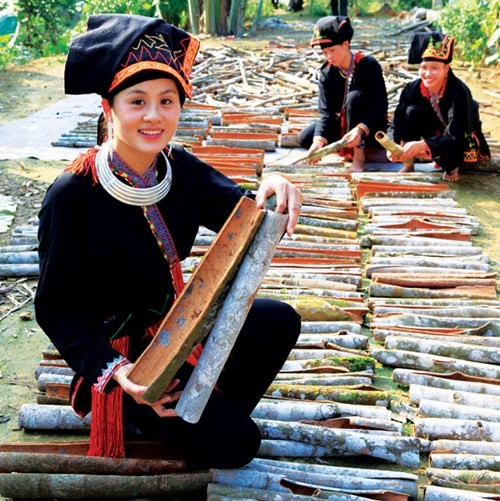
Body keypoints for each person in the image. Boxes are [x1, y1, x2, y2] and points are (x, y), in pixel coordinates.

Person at [34, 14, 303, 471]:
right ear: (109, 108)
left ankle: (201, 416)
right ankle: (146, 416)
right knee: (240, 446)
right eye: (137, 101)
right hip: (127, 364)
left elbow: (243, 215)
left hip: (177, 332)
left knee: (278, 320)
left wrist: (274, 182)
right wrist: (123, 376)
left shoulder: (178, 168)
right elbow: (55, 307)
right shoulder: (73, 192)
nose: (154, 115)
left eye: (167, 100)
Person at [388, 32, 490, 181]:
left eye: (434, 68)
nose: (428, 74)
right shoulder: (412, 88)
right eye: (424, 68)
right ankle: (408, 164)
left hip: (460, 137)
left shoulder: (459, 92)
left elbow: (456, 135)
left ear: (446, 68)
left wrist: (422, 145)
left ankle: (452, 167)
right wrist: (392, 144)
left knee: (455, 144)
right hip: (435, 133)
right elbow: (395, 122)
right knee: (411, 112)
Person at [298, 16, 388, 172]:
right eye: (325, 52)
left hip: (369, 125)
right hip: (342, 124)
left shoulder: (369, 65)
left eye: (333, 50)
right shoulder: (327, 72)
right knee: (306, 138)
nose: (329, 56)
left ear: (346, 44)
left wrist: (360, 129)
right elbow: (326, 112)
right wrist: (318, 142)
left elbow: (381, 107)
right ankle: (343, 147)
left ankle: (359, 156)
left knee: (354, 98)